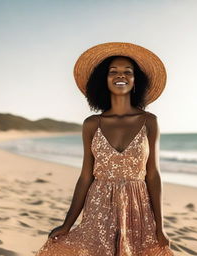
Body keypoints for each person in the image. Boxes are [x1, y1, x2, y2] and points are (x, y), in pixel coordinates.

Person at [34, 42, 174, 255]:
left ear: (136, 81)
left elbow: (153, 175)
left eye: (128, 72)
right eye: (113, 72)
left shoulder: (149, 121)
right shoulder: (91, 124)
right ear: (105, 80)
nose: (121, 76)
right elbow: (85, 177)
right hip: (98, 205)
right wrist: (67, 224)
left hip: (138, 208)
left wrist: (160, 226)